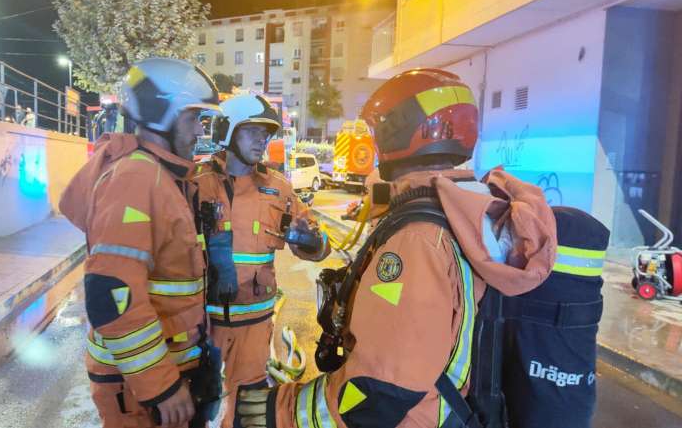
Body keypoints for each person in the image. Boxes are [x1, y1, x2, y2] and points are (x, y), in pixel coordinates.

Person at [237, 69, 558, 428]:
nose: (374, 144)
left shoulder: (417, 240)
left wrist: (279, 412)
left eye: (379, 130)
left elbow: (379, 393)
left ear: (404, 129)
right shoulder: (467, 211)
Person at [59, 57, 222, 428]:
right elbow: (111, 296)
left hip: (160, 371)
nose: (200, 130)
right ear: (162, 113)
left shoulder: (163, 176)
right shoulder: (135, 177)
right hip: (140, 388)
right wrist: (162, 387)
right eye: (194, 117)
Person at [192, 94, 330, 428]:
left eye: (266, 132)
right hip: (202, 326)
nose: (262, 139)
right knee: (199, 406)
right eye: (252, 130)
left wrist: (312, 240)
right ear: (227, 131)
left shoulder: (278, 188)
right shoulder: (196, 183)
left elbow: (320, 244)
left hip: (254, 328)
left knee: (247, 411)